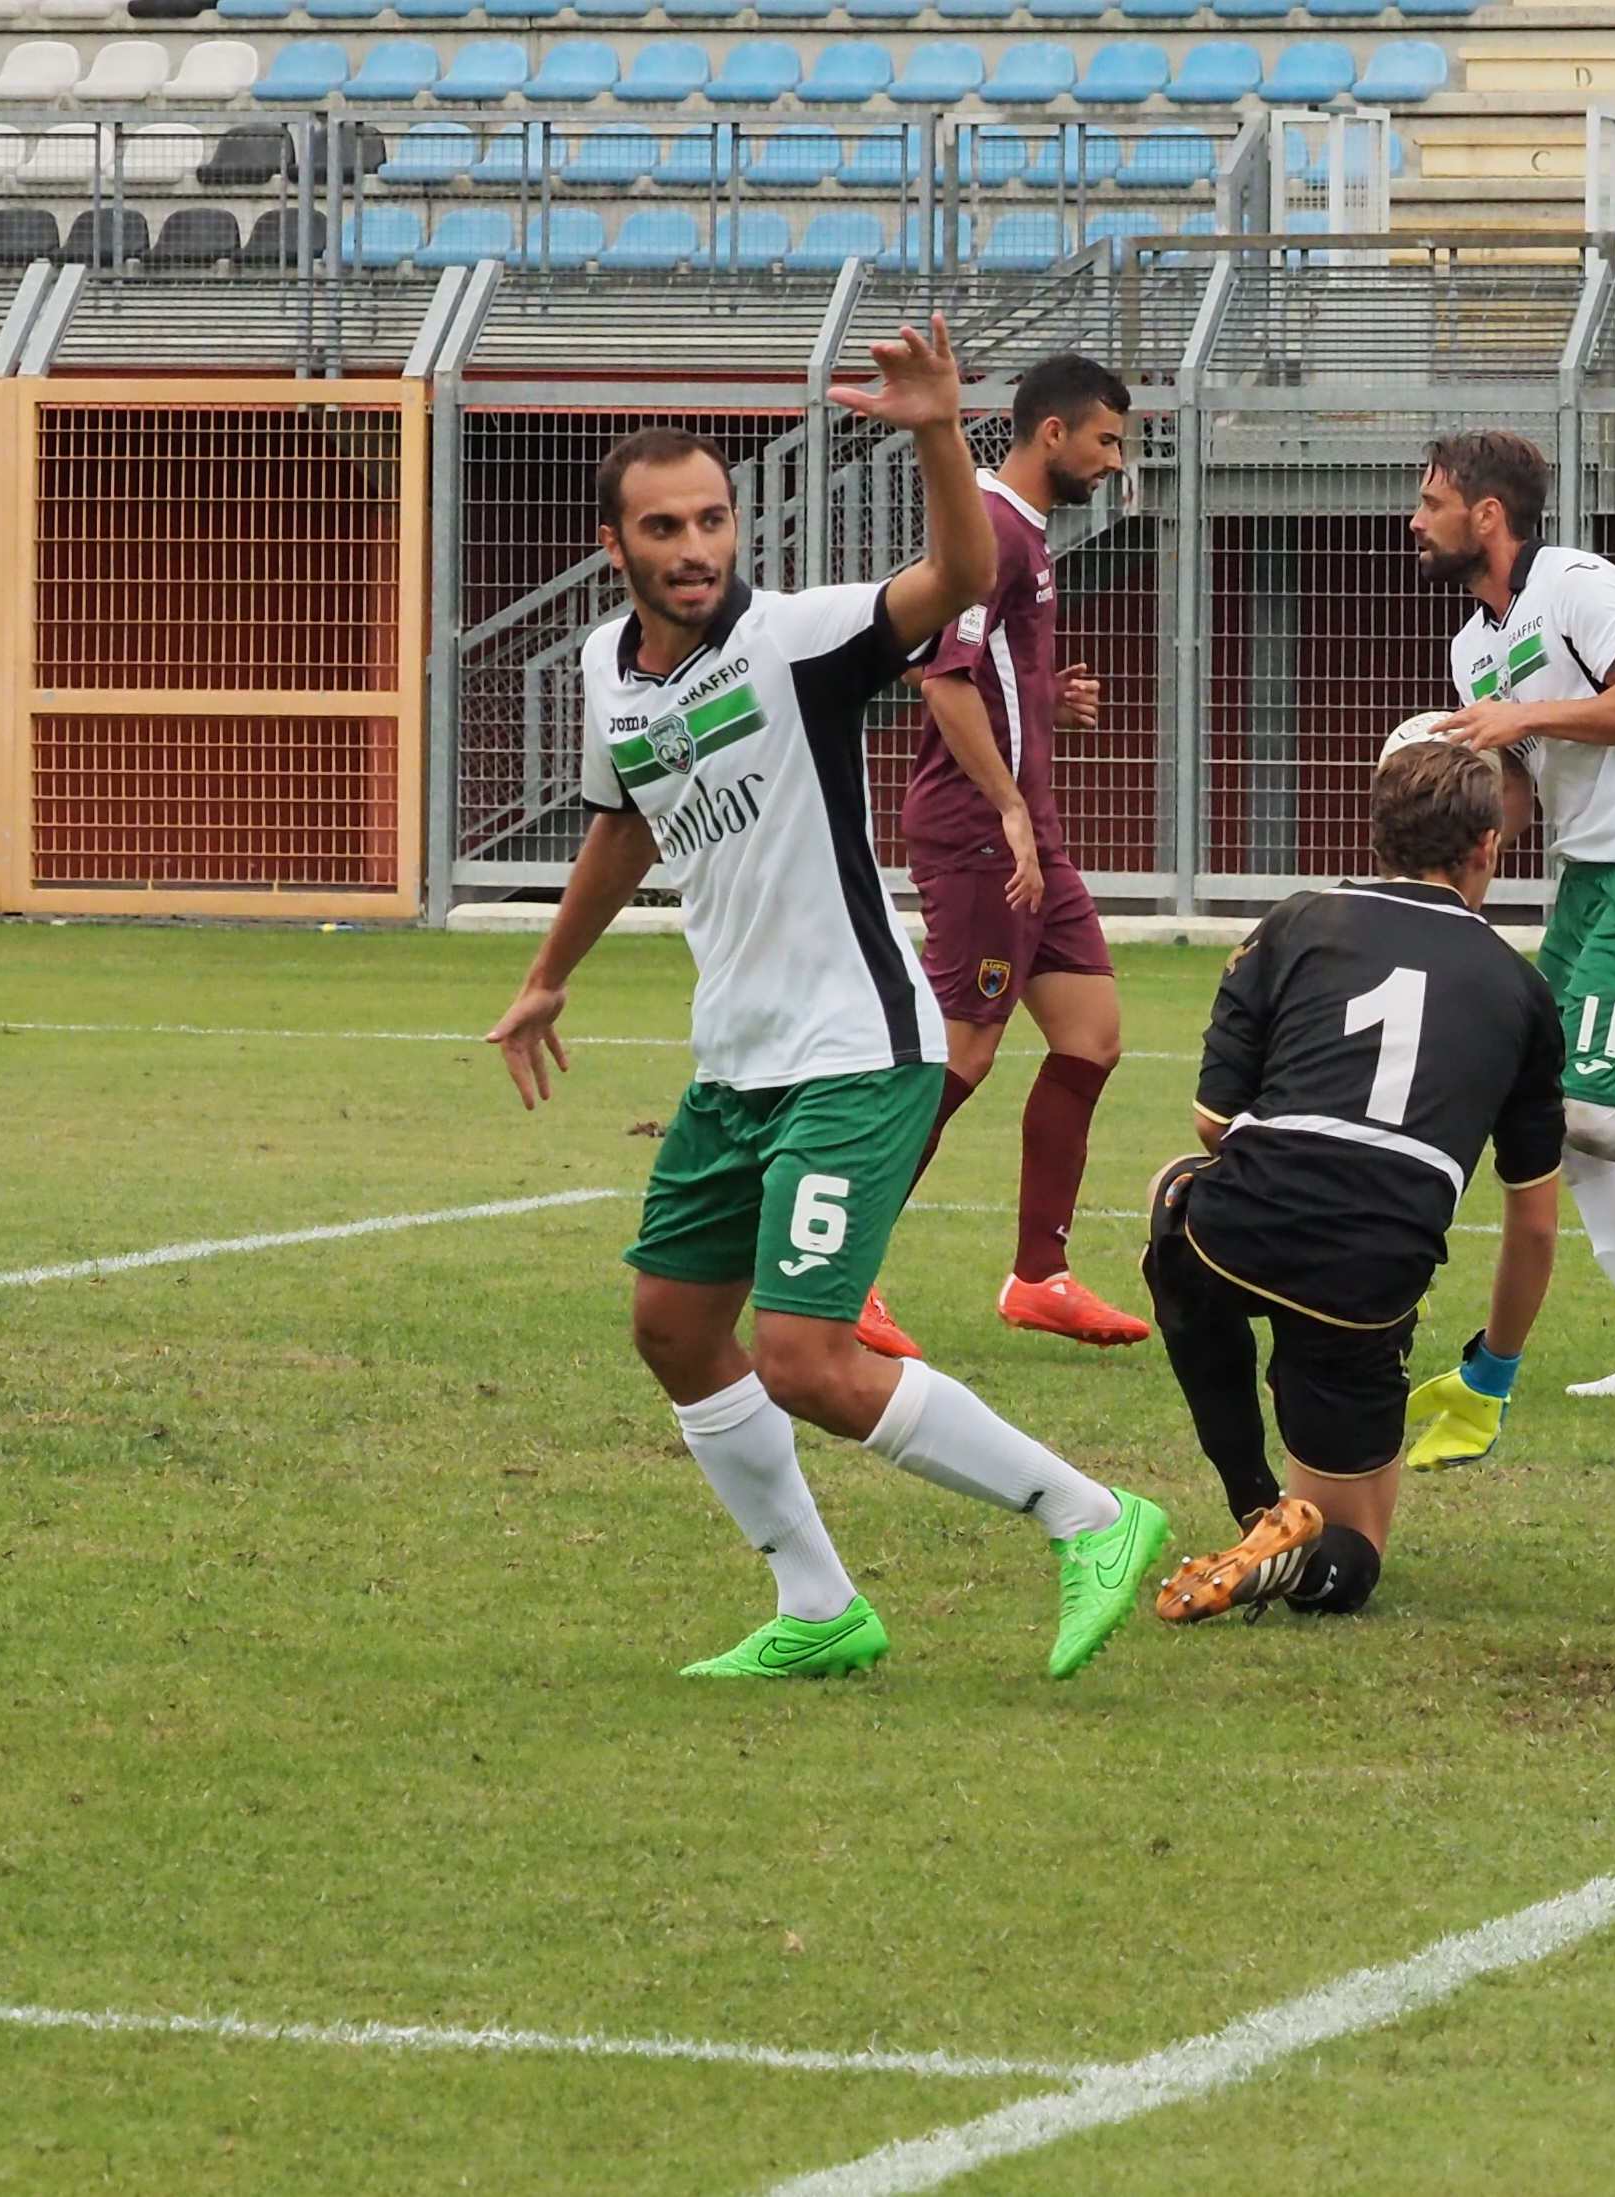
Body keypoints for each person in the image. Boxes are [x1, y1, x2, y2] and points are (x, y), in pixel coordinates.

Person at [487, 317, 1169, 1682]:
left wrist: (937, 432)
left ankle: (1090, 1514)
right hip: (736, 1061)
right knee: (674, 1327)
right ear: (615, 547)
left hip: (857, 1048)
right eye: (664, 527)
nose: (696, 547)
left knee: (804, 1354)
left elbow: (957, 576)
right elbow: (625, 820)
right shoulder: (607, 671)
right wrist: (548, 974)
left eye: (713, 519)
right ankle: (818, 1605)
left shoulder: (798, 638)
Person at [1141, 738, 1563, 1624]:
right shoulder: (1523, 992)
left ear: (1374, 834)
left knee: (1175, 1192)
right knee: (1353, 1549)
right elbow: (1532, 1222)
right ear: (1487, 845)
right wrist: (1492, 1372)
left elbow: (1213, 1120)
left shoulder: (1295, 921)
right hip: (1369, 1277)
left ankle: (1252, 1500)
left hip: (1236, 1230)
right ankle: (1293, 1554)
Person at [857, 351, 1151, 1363]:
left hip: (1028, 830)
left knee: (1091, 1037)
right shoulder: (988, 529)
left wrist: (1040, 697)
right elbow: (942, 681)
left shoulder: (1025, 532)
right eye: (1106, 441)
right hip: (984, 832)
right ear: (1052, 433)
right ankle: (842, 1263)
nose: (1116, 462)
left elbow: (972, 672)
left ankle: (1039, 1275)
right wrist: (1010, 810)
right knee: (963, 1050)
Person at [1414, 432, 1615, 1398]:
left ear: (1486, 515)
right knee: (1548, 1112)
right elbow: (1517, 792)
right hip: (1586, 881)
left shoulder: (1575, 582)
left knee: (1590, 1111)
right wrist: (1444, 884)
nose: (1413, 520)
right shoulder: (1470, 645)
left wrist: (1520, 717)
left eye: (1430, 502)